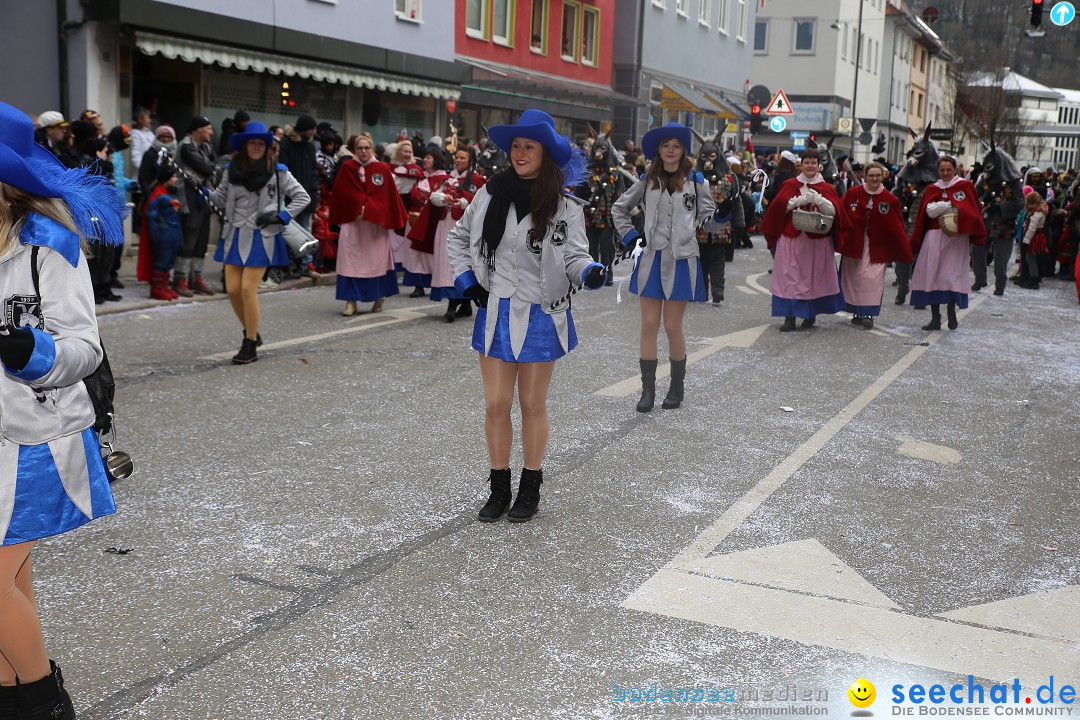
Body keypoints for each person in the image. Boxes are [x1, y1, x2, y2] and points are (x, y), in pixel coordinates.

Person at [0, 99, 125, 720]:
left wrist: (31, 351)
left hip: (34, 440)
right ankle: (18, 694)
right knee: (9, 583)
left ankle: (45, 702)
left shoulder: (50, 246)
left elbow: (84, 349)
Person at [447, 109, 602, 523]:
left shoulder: (566, 207)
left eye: (528, 146)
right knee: (496, 404)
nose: (519, 153)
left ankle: (529, 488)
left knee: (532, 405)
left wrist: (589, 272)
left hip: (541, 314)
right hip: (495, 309)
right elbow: (459, 237)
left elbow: (575, 255)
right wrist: (468, 282)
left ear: (545, 153)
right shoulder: (489, 193)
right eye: (515, 145)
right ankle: (499, 487)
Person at [611, 123, 715, 413]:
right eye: (666, 145)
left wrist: (720, 216)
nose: (671, 150)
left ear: (683, 151)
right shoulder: (647, 180)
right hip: (651, 260)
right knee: (648, 325)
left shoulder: (697, 182)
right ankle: (648, 391)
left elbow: (710, 219)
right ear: (659, 150)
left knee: (672, 326)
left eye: (676, 146)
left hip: (682, 260)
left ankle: (676, 387)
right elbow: (619, 208)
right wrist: (630, 236)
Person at [211, 122, 310, 364]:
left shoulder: (278, 171)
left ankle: (249, 343)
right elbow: (219, 198)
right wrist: (203, 192)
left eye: (260, 143)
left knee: (247, 289)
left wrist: (282, 216)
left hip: (262, 235)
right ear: (245, 146)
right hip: (234, 234)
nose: (256, 147)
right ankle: (252, 333)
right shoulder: (231, 170)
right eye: (252, 143)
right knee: (232, 289)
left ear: (267, 147)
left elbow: (302, 196)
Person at [758, 147, 849, 332]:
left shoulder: (827, 188)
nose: (810, 166)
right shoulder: (790, 185)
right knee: (790, 277)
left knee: (812, 278)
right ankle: (789, 317)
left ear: (819, 166)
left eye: (813, 163)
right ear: (801, 165)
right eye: (806, 163)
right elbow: (777, 210)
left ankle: (810, 314)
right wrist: (796, 202)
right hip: (792, 239)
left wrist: (819, 200)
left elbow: (835, 212)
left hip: (817, 241)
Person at [329, 133, 407, 316]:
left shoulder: (382, 168)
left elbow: (388, 198)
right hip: (353, 223)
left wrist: (372, 209)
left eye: (367, 148)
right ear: (354, 150)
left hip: (375, 226)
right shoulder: (347, 168)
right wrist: (357, 205)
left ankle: (379, 298)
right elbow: (341, 195)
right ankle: (350, 301)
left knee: (377, 261)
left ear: (371, 149)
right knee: (350, 260)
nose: (363, 152)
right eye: (359, 148)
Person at [908, 156, 987, 330]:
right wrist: (948, 205)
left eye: (948, 170)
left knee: (951, 276)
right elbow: (928, 212)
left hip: (956, 240)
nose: (945, 173)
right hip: (934, 237)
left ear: (955, 170)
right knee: (933, 275)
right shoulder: (932, 188)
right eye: (942, 170)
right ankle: (935, 317)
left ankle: (951, 310)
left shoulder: (964, 186)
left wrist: (942, 206)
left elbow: (970, 211)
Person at [839, 162, 914, 329]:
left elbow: (897, 226)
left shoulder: (890, 199)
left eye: (878, 175)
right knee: (854, 277)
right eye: (871, 175)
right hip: (855, 244)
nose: (874, 178)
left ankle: (868, 313)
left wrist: (901, 247)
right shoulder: (853, 193)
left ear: (883, 177)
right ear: (865, 176)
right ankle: (857, 312)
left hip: (877, 247)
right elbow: (841, 214)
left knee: (871, 279)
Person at [416, 146, 486, 321]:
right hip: (445, 223)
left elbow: (482, 204)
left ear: (470, 160)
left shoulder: (477, 180)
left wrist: (464, 202)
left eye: (462, 158)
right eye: (457, 157)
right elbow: (434, 196)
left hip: (464, 226)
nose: (459, 160)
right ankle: (464, 305)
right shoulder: (448, 179)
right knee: (446, 262)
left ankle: (453, 305)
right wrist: (442, 199)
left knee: (460, 261)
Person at [174, 116, 217, 296]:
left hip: (204, 197)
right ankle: (180, 278)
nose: (211, 132)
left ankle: (196, 277)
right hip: (189, 197)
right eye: (208, 128)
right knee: (188, 239)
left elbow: (215, 166)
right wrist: (212, 167)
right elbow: (208, 169)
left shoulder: (207, 147)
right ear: (198, 129)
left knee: (202, 240)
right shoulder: (186, 145)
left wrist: (212, 167)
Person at [139, 163, 184, 300]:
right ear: (167, 178)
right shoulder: (158, 197)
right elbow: (151, 218)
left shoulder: (167, 195)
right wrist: (156, 236)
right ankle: (157, 288)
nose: (176, 179)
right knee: (161, 262)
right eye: (174, 176)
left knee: (168, 262)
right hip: (163, 235)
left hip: (171, 235)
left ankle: (164, 286)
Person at [1016, 191, 1048, 290]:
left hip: (1034, 238)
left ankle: (1034, 280)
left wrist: (1026, 242)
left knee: (1030, 258)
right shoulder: (1040, 212)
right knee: (1031, 258)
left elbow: (1031, 229)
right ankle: (1031, 278)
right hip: (1037, 236)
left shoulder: (1036, 214)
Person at [137, 125, 176, 194]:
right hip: (153, 194)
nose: (166, 139)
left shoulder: (175, 154)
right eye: (162, 137)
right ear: (157, 138)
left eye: (169, 137)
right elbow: (142, 177)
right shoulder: (150, 154)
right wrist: (149, 194)